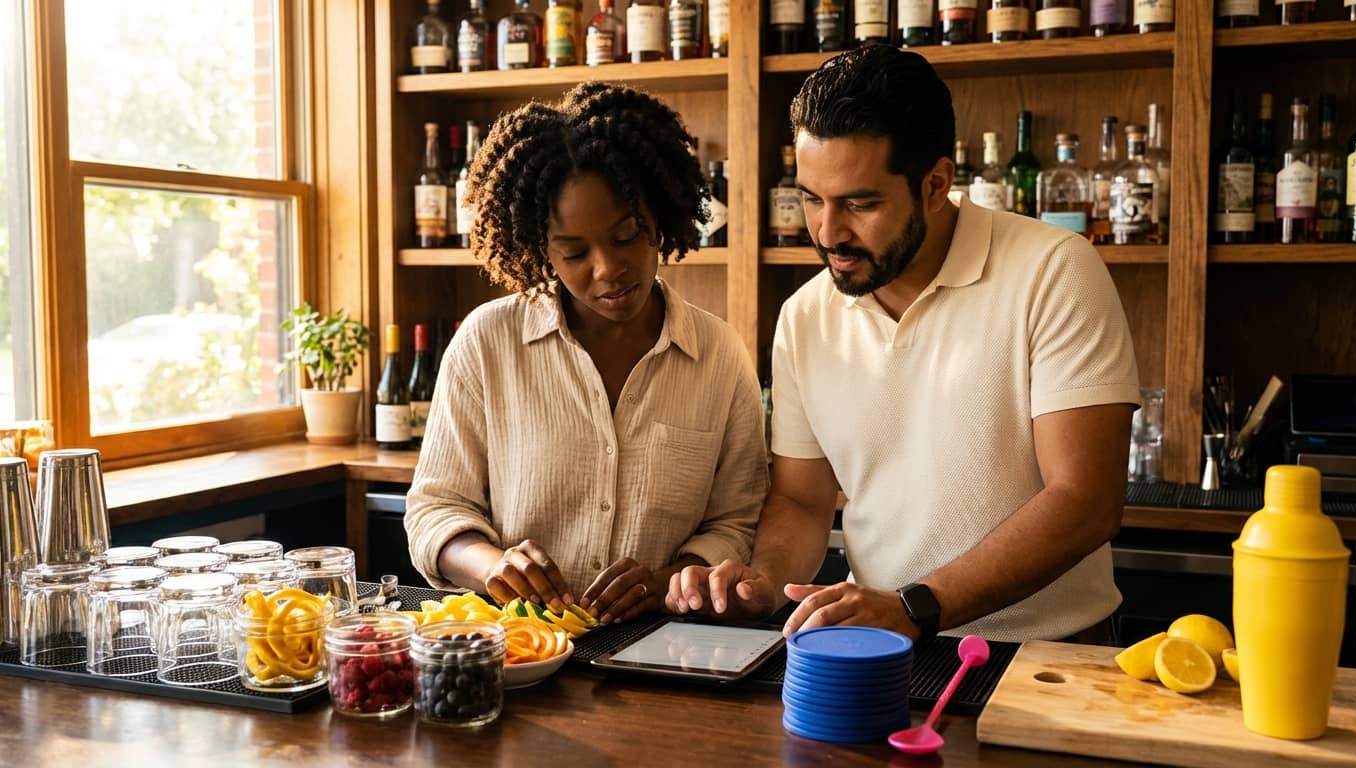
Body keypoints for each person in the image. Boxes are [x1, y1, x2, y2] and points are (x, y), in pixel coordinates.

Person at [665, 45, 1141, 642]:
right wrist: (763, 583)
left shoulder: (1054, 270)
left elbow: (1086, 501)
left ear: (936, 183)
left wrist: (916, 607)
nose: (828, 232)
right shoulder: (805, 315)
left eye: (860, 204)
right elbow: (802, 500)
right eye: (813, 199)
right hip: (882, 647)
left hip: (1047, 656)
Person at [406, 82, 768, 625]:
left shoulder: (719, 355)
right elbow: (435, 509)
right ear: (540, 249)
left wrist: (674, 577)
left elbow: (736, 521)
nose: (607, 268)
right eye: (573, 252)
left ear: (660, 216)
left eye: (626, 236)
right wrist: (493, 567)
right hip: (520, 650)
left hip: (664, 648)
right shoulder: (486, 343)